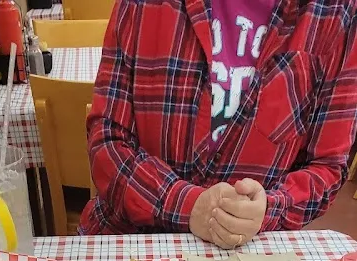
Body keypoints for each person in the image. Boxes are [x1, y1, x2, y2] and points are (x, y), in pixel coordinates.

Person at [79, 0, 357, 248]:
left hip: (251, 249)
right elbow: (107, 139)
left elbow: (327, 166)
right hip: (130, 237)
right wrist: (190, 205)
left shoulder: (335, 13)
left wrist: (271, 207)